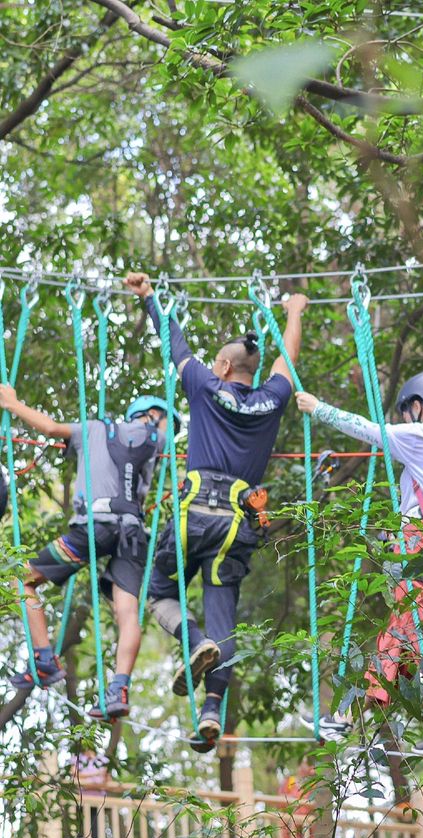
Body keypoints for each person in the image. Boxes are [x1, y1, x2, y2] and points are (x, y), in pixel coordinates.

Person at [124, 272, 307, 752]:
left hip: (194, 513)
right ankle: (211, 710)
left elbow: (173, 341)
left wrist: (148, 298)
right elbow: (288, 362)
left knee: (159, 593)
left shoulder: (206, 384)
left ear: (224, 365)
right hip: (236, 525)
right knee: (224, 618)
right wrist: (294, 314)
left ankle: (192, 639)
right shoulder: (273, 398)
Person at [296, 370, 423, 758]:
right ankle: (348, 722)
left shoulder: (422, 435)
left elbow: (369, 430)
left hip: (421, 550)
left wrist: (319, 409)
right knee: (398, 639)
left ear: (417, 406)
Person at [2, 386, 173, 718]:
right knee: (127, 613)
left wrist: (12, 403)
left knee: (22, 578)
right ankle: (118, 687)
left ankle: (44, 659)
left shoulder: (92, 429)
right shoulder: (159, 441)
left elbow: (50, 428)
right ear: (156, 417)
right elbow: (161, 432)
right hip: (132, 535)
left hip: (95, 528)